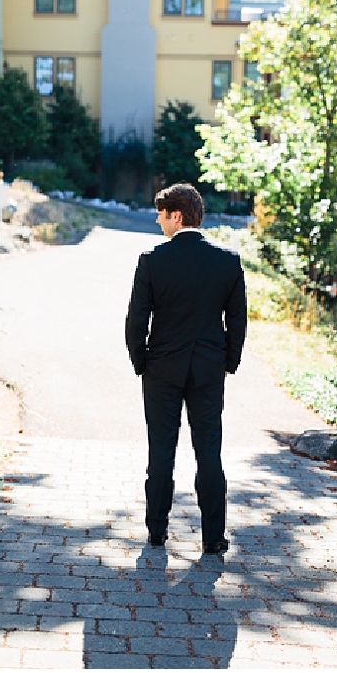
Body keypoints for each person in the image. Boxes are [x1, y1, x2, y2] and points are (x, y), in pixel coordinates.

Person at [124, 182, 247, 555]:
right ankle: (213, 537)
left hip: (161, 368)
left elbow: (135, 323)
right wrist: (229, 362)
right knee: (209, 450)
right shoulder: (228, 261)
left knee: (161, 450)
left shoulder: (152, 260)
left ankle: (157, 531)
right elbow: (237, 321)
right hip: (208, 370)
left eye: (162, 215)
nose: (159, 222)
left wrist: (141, 362)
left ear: (177, 216)